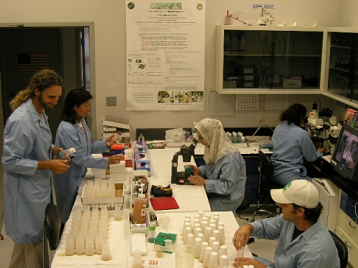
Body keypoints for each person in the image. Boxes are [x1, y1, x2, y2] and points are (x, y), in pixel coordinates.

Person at [2, 69, 71, 268]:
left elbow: (36, 145)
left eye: (58, 97)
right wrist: (48, 164)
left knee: (24, 249)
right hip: (25, 193)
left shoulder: (39, 114)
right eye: (51, 97)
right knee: (32, 249)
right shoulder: (22, 120)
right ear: (37, 91)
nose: (55, 102)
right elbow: (10, 161)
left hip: (37, 190)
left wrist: (53, 150)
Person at [53, 88, 123, 224]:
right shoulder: (67, 129)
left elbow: (88, 148)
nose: (88, 109)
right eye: (85, 106)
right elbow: (79, 158)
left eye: (89, 105)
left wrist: (106, 145)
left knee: (78, 214)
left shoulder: (81, 122)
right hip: (69, 178)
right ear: (74, 106)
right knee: (69, 219)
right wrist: (106, 162)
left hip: (79, 175)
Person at [232, 180, 340, 268]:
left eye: (285, 204)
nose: (279, 205)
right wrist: (248, 227)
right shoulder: (294, 220)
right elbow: (267, 227)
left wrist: (262, 267)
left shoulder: (316, 253)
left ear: (300, 211)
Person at [188, 118, 247, 212]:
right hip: (216, 193)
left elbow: (227, 186)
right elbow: (213, 169)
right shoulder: (214, 147)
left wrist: (205, 183)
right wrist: (200, 171)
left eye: (202, 137)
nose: (199, 141)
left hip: (227, 199)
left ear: (211, 135)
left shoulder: (230, 157)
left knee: (197, 208)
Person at [271, 103, 325, 186]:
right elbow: (311, 158)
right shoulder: (301, 134)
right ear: (301, 118)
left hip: (274, 173)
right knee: (320, 189)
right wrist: (319, 152)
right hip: (290, 176)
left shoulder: (278, 128)